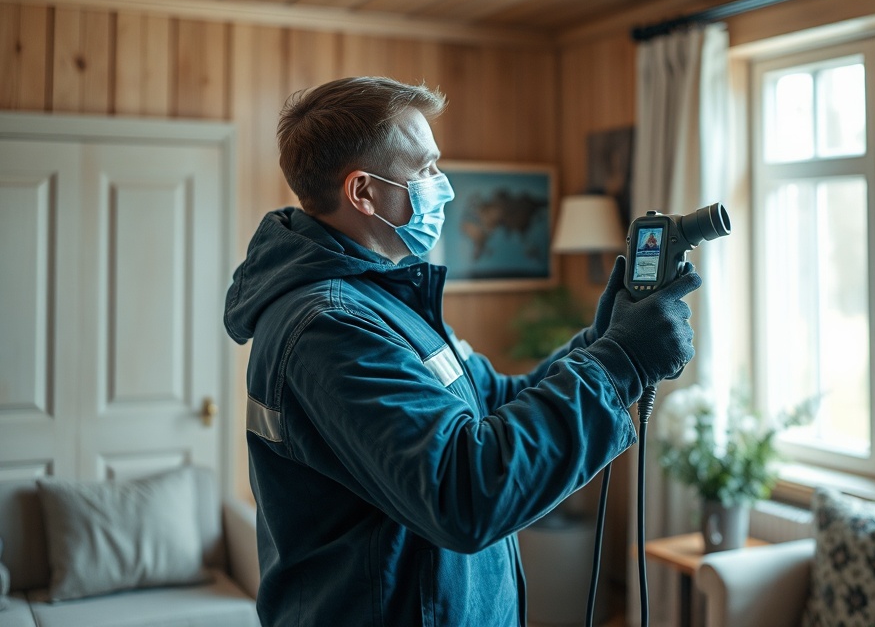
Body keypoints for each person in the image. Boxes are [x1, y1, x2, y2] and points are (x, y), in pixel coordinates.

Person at [223, 76, 702, 627]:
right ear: (363, 192)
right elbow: (464, 493)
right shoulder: (331, 328)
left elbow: (495, 400)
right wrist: (622, 364)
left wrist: (604, 339)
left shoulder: (383, 299)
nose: (443, 185)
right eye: (425, 168)